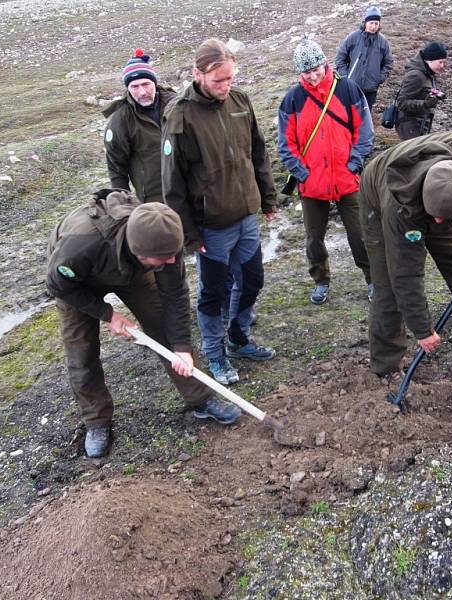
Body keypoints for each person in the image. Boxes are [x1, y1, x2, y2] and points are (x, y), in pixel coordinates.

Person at [46, 190, 241, 458]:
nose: (173, 261)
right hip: (75, 281)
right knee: (81, 351)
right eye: (166, 258)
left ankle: (200, 398)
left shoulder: (164, 241)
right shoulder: (80, 244)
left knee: (162, 327)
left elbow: (176, 296)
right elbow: (57, 286)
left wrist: (182, 346)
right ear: (141, 254)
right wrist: (107, 314)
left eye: (174, 254)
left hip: (132, 268)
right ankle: (97, 421)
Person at [161, 38, 278, 386]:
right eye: (218, 81)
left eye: (230, 78)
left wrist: (268, 200)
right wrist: (189, 234)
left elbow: (258, 153)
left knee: (252, 280)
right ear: (198, 74)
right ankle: (215, 354)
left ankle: (239, 338)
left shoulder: (240, 101)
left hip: (246, 217)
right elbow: (173, 184)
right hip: (211, 229)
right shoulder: (180, 115)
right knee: (213, 293)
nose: (226, 87)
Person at [359, 130, 452, 381]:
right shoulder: (400, 208)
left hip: (440, 189)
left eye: (445, 216)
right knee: (387, 283)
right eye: (435, 216)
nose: (438, 222)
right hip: (379, 191)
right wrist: (423, 330)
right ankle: (386, 365)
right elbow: (405, 273)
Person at [278, 38, 374, 305]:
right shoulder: (292, 100)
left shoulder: (348, 90)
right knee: (313, 239)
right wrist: (303, 173)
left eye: (316, 68)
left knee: (360, 235)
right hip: (312, 185)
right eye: (306, 71)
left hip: (347, 180)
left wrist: (354, 164)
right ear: (300, 72)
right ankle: (321, 280)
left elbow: (364, 132)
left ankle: (373, 278)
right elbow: (286, 145)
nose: (313, 74)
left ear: (325, 63)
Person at [102, 49, 176, 203]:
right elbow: (116, 168)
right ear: (128, 89)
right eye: (135, 87)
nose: (142, 92)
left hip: (191, 192)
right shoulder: (121, 120)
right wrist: (124, 206)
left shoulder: (176, 105)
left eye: (146, 84)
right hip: (156, 200)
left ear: (154, 82)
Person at [334, 6, 394, 110]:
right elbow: (340, 58)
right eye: (371, 23)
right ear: (365, 22)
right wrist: (345, 76)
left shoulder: (383, 42)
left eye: (376, 23)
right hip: (352, 86)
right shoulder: (353, 37)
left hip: (371, 89)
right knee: (349, 114)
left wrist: (380, 78)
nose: (373, 26)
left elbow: (388, 63)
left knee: (365, 116)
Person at [395, 41, 448, 140]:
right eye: (440, 62)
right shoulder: (416, 76)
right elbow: (402, 103)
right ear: (430, 60)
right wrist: (426, 104)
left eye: (444, 62)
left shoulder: (427, 72)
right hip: (409, 125)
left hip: (419, 122)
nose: (442, 66)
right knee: (414, 155)